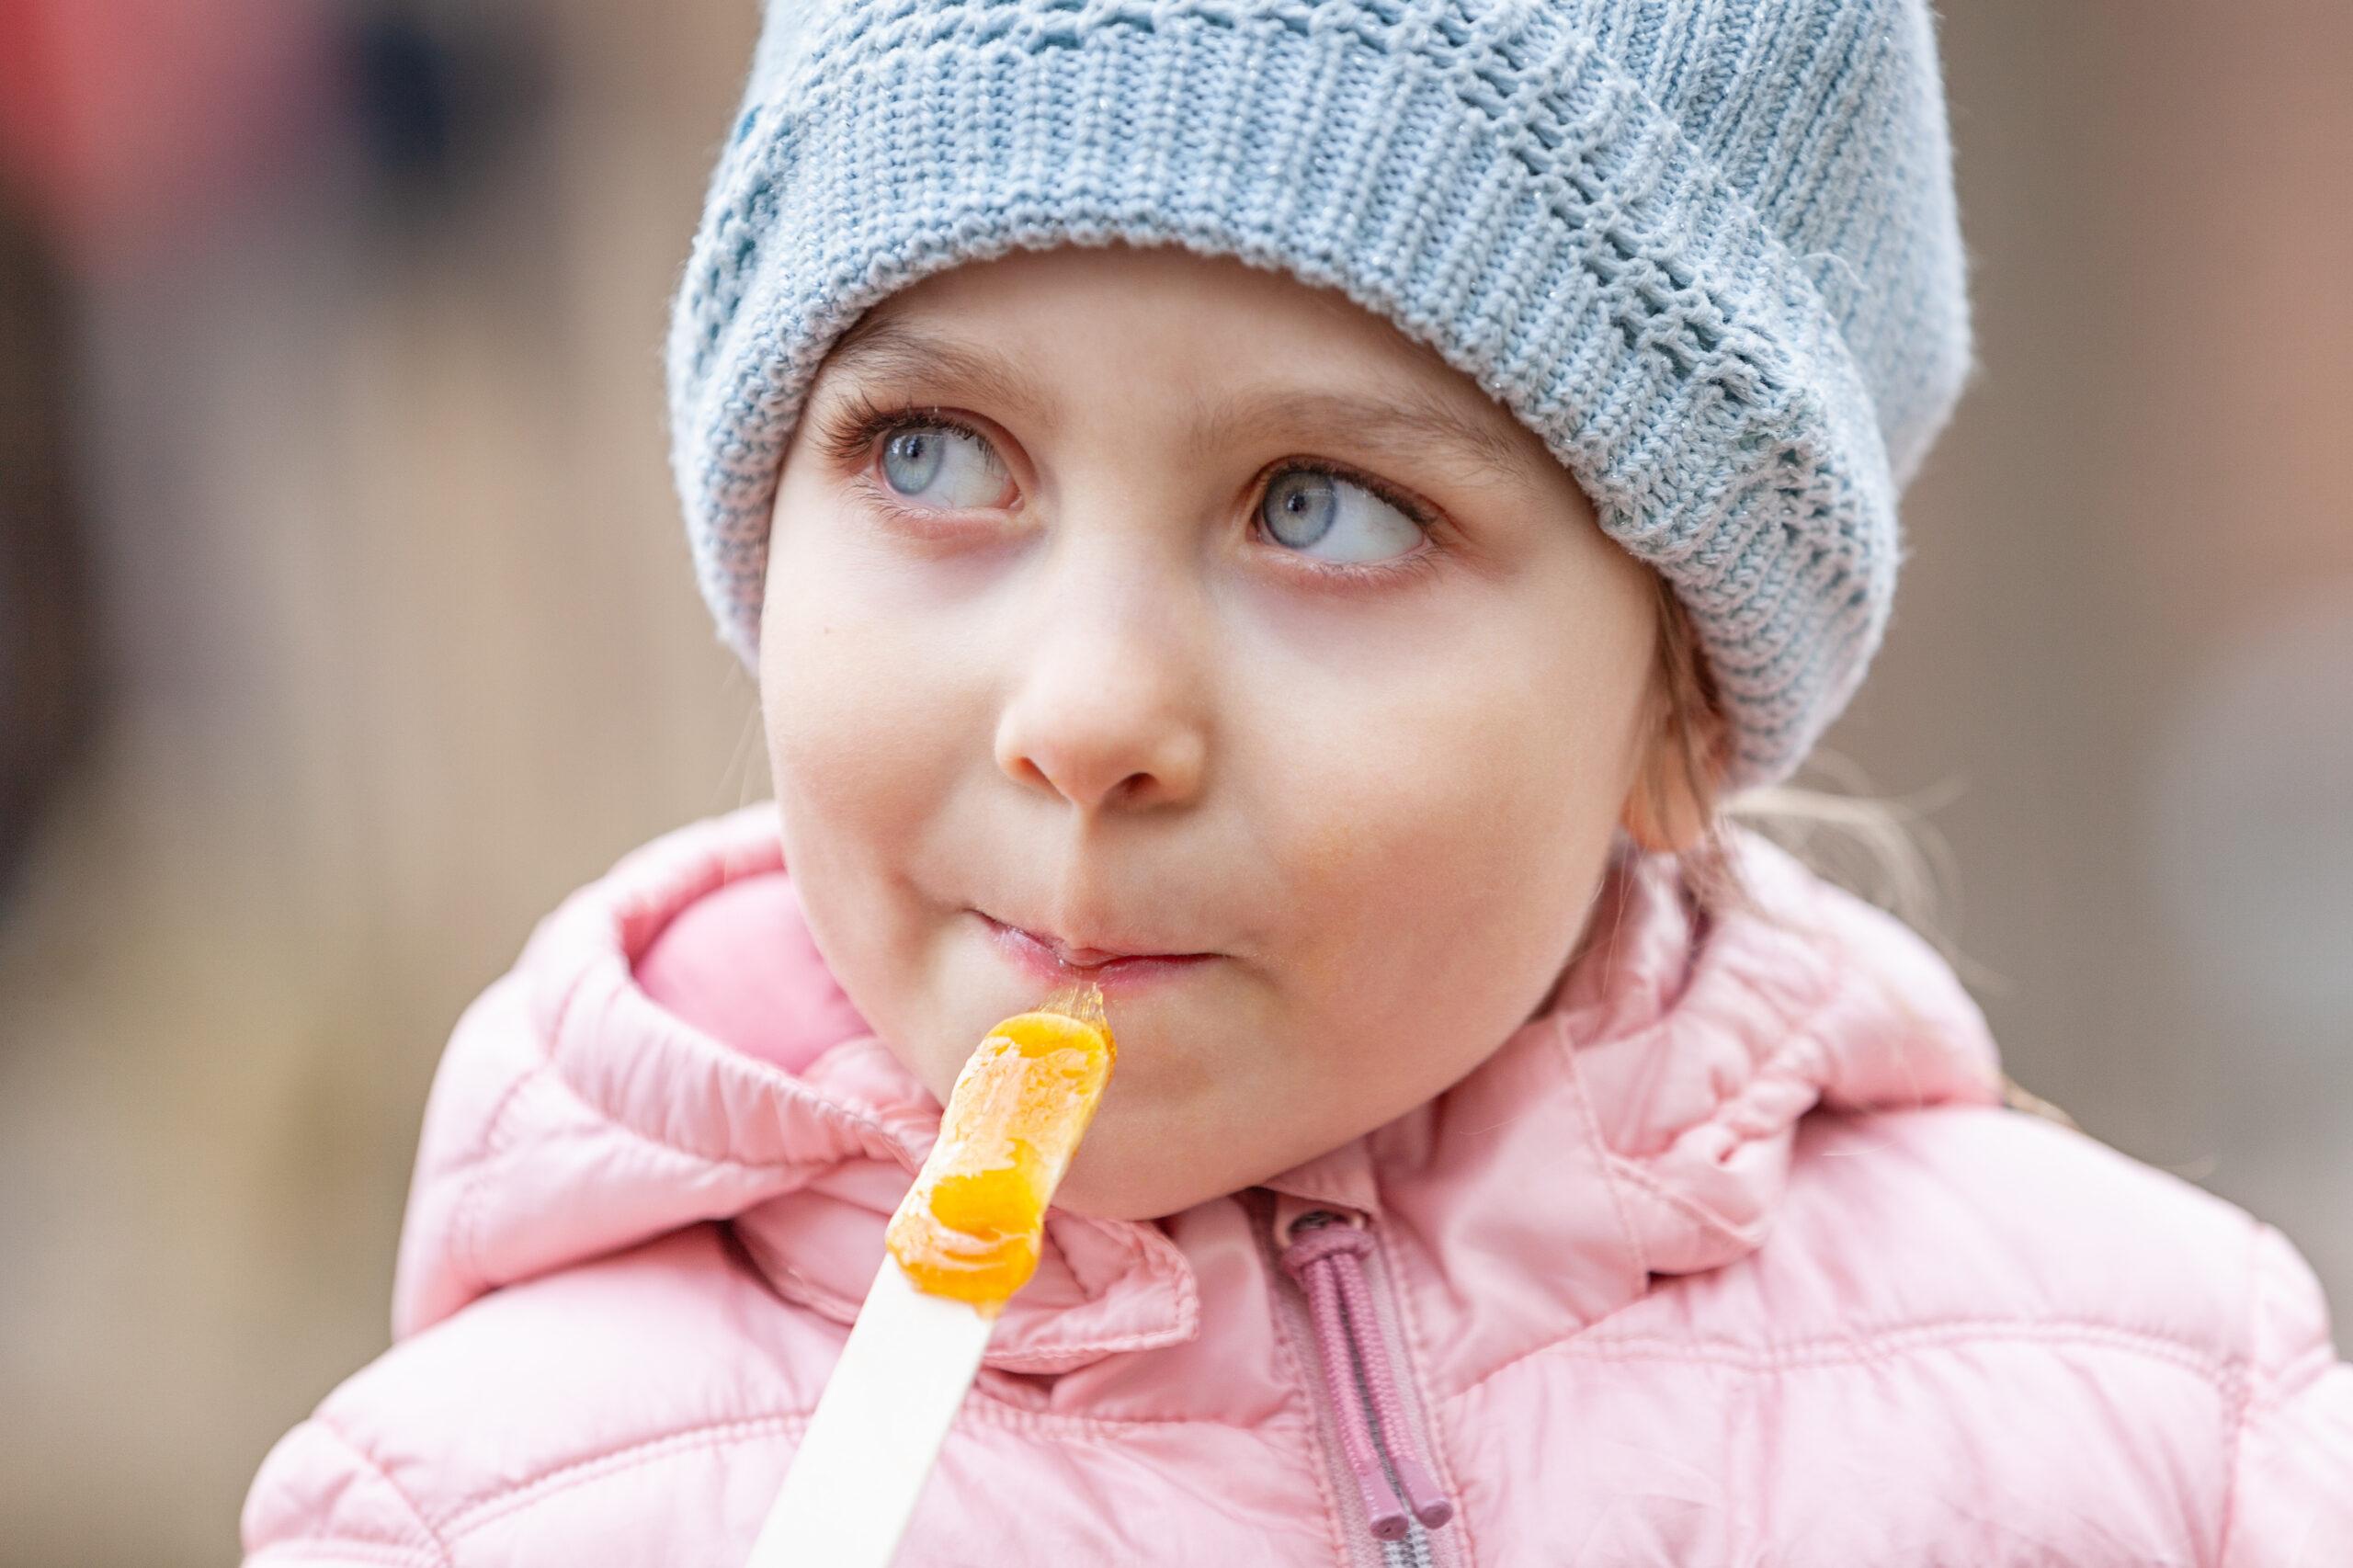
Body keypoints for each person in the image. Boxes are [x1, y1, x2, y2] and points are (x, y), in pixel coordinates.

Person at [238, 0, 2353, 1561]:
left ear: (1677, 711)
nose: (1081, 710)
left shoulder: (2145, 1430)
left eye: (1316, 506)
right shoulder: (484, 1507)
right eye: (932, 454)